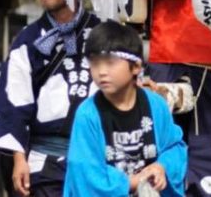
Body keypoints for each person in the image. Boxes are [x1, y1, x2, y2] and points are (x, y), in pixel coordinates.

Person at [0, 0, 102, 196]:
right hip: (43, 163)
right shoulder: (28, 39)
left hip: (97, 161)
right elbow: (14, 102)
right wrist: (19, 159)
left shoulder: (102, 33)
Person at [64, 20, 188, 196]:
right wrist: (134, 182)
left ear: (136, 66)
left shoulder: (156, 105)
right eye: (95, 63)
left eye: (110, 62)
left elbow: (175, 147)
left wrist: (162, 166)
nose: (101, 71)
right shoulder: (87, 114)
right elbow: (84, 171)